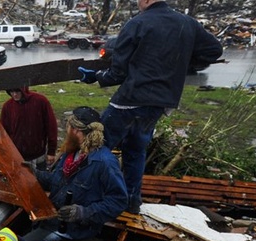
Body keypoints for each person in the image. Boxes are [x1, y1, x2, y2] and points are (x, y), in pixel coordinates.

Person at [78, 0, 222, 214]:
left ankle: (90, 197)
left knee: (99, 146)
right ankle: (131, 201)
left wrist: (97, 77)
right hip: (161, 102)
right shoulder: (187, 23)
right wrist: (182, 62)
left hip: (129, 100)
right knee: (136, 150)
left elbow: (117, 72)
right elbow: (214, 50)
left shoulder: (138, 23)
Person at [20, 107, 127, 241]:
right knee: (23, 238)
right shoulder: (72, 153)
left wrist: (83, 212)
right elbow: (56, 182)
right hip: (51, 220)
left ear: (76, 130)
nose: (67, 130)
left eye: (68, 126)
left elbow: (119, 201)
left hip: (73, 229)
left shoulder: (105, 162)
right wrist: (35, 174)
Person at [0, 86, 58, 170]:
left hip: (38, 155)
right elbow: (4, 131)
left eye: (17, 91)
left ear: (23, 90)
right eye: (11, 92)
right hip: (17, 156)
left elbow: (51, 126)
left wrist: (51, 151)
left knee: (39, 181)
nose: (14, 95)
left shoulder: (40, 101)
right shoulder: (8, 106)